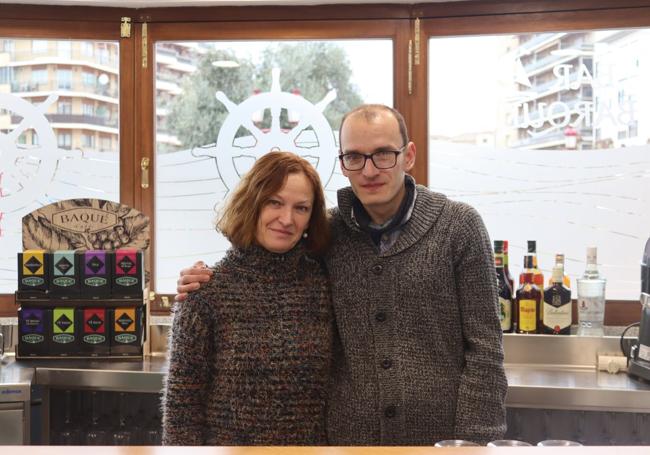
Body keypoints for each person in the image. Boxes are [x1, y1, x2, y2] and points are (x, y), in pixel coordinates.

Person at [176, 105, 508, 445]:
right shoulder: (327, 232)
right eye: (355, 157)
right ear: (342, 164)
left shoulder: (459, 227)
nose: (369, 170)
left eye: (383, 154)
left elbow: (485, 349)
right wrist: (204, 279)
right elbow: (264, 266)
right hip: (348, 443)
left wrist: (473, 441)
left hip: (439, 443)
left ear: (408, 156)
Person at [162, 151, 333, 445]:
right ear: (252, 203)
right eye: (274, 202)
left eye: (301, 208)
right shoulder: (204, 294)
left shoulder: (326, 285)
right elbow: (182, 412)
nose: (287, 219)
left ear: (311, 218)